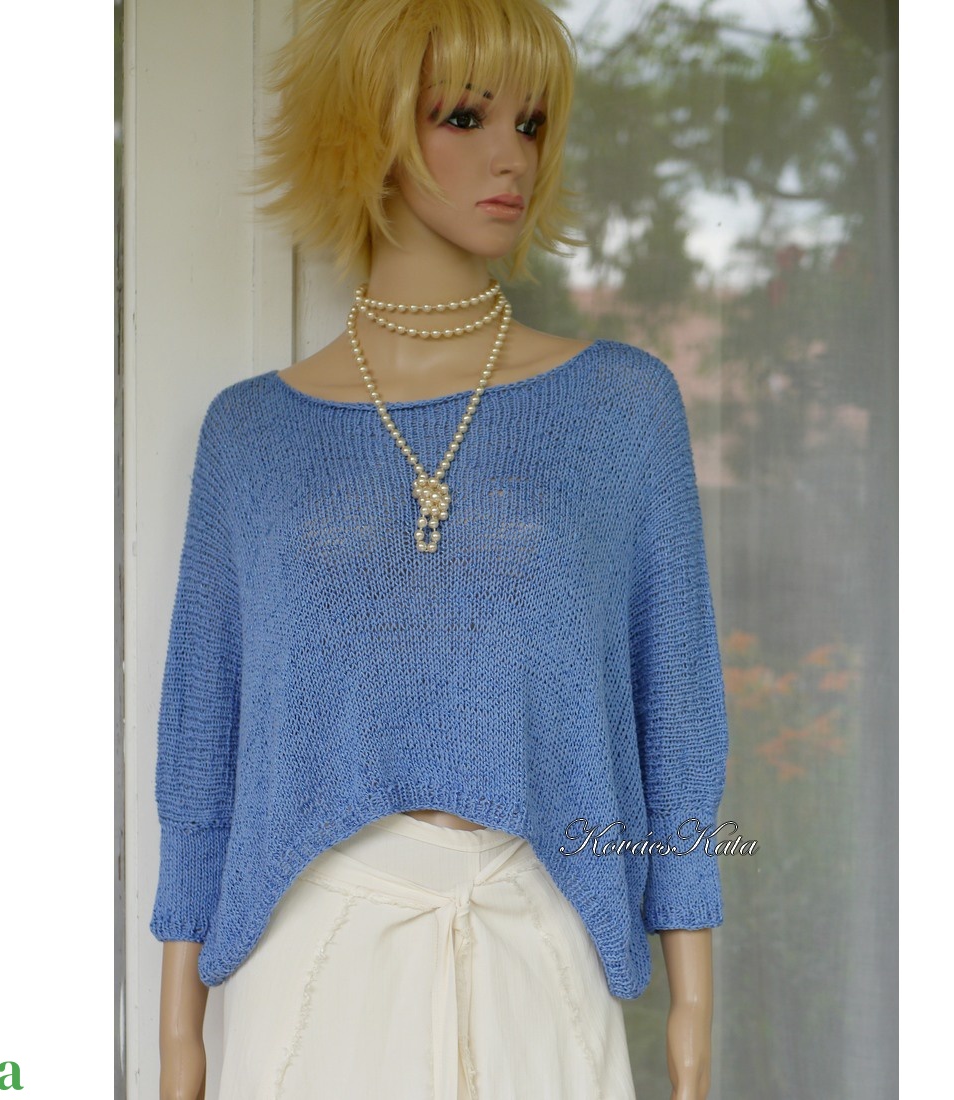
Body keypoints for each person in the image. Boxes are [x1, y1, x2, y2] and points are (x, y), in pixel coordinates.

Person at [150, 0, 729, 1097]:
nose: (513, 155)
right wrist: (180, 1033)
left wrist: (693, 1011)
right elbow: (203, 739)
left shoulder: (621, 408)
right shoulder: (250, 436)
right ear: (365, 128)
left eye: (532, 122)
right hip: (308, 961)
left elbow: (677, 714)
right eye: (464, 116)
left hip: (541, 937)